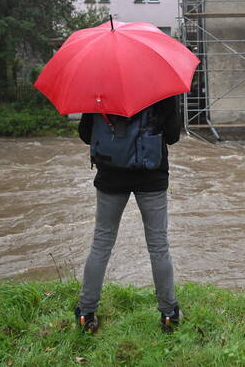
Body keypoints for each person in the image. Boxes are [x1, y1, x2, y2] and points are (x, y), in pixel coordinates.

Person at [74, 95, 183, 334]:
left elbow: (84, 134)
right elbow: (173, 136)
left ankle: (86, 312)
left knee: (101, 243)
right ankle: (168, 314)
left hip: (110, 174)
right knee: (158, 246)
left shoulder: (100, 88)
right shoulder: (162, 87)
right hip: (151, 174)